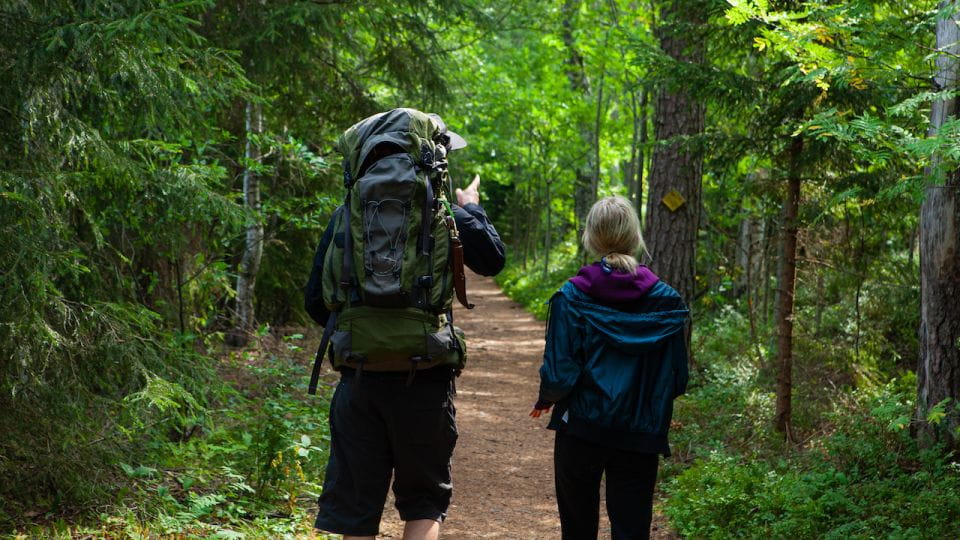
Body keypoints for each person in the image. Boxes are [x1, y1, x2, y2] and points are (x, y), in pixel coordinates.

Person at [304, 113, 504, 540]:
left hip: (360, 378)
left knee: (357, 510)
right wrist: (473, 208)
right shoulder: (445, 213)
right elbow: (493, 260)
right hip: (425, 377)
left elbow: (317, 304)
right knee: (424, 502)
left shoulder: (347, 216)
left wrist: (368, 324)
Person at [530, 196, 689, 540]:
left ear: (592, 237)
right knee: (632, 529)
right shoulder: (668, 300)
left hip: (581, 428)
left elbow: (559, 372)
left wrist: (547, 398)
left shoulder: (571, 296)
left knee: (578, 528)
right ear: (635, 236)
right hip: (641, 432)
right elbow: (678, 378)